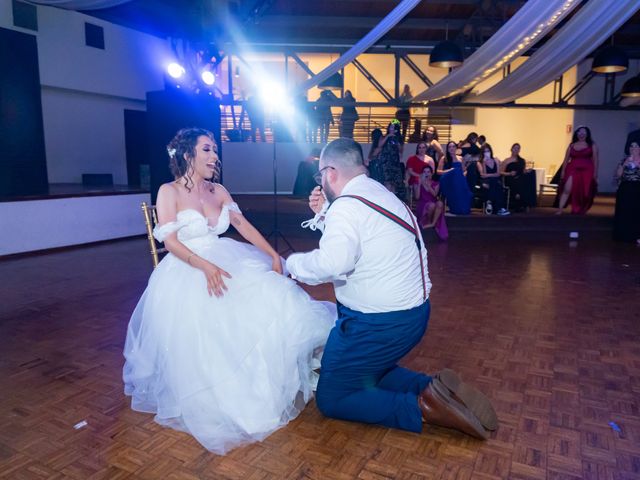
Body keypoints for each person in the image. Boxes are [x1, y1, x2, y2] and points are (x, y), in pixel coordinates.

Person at [123, 128, 335, 454]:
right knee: (225, 312)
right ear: (187, 155)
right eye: (207, 149)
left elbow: (242, 227)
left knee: (273, 292)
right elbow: (170, 241)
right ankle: (236, 384)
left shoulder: (218, 189)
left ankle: (300, 365)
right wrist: (204, 267)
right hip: (188, 268)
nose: (214, 156)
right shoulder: (169, 191)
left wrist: (274, 257)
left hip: (226, 258)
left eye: (215, 150)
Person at [286, 138, 497, 440]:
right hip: (413, 315)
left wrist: (291, 264)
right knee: (367, 372)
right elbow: (358, 240)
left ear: (330, 173)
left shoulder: (346, 207)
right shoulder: (381, 194)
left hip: (377, 324)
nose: (321, 184)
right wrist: (325, 215)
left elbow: (336, 261)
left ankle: (422, 407)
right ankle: (431, 388)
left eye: (320, 177)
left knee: (333, 396)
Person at [556, 126, 599, 215]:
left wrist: (595, 173)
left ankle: (581, 208)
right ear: (577, 133)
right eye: (579, 132)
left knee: (585, 191)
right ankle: (560, 209)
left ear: (587, 134)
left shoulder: (592, 145)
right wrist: (563, 171)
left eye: (584, 132)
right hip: (572, 168)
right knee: (567, 188)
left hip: (587, 170)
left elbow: (596, 160)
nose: (581, 134)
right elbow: (566, 159)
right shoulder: (571, 145)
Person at [613, 141, 640, 244]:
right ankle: (623, 235)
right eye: (631, 146)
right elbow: (618, 175)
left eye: (636, 146)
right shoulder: (624, 160)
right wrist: (624, 164)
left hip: (637, 188)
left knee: (636, 213)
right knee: (624, 211)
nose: (633, 148)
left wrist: (637, 164)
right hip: (625, 188)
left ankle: (636, 235)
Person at [438, 141, 472, 215]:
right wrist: (449, 171)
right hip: (447, 180)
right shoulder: (444, 158)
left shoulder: (460, 158)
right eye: (450, 147)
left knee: (460, 176)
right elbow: (438, 171)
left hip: (458, 180)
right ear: (447, 149)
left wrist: (464, 174)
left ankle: (462, 209)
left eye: (453, 146)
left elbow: (464, 170)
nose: (452, 148)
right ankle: (455, 208)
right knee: (456, 172)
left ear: (456, 148)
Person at [501, 143, 537, 211]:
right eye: (515, 148)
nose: (516, 150)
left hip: (519, 178)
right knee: (518, 181)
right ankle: (518, 199)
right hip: (509, 178)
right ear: (511, 149)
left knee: (530, 176)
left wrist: (526, 171)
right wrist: (509, 173)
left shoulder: (522, 160)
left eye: (518, 148)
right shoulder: (507, 160)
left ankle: (526, 203)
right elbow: (501, 172)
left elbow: (522, 171)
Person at [416, 166, 448, 240]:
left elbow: (434, 194)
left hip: (432, 201)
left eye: (428, 172)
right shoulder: (419, 183)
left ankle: (432, 223)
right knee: (431, 205)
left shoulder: (436, 183)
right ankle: (428, 221)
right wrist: (420, 184)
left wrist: (428, 185)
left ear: (431, 173)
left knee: (440, 203)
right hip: (423, 203)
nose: (426, 174)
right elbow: (417, 197)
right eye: (424, 172)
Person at [478, 143, 510, 216]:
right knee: (495, 183)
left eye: (488, 151)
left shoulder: (496, 160)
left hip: (495, 181)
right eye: (485, 152)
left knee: (494, 182)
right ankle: (499, 208)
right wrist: (484, 163)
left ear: (491, 151)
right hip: (485, 182)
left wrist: (489, 175)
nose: (487, 153)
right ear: (482, 153)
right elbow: (483, 175)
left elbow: (498, 173)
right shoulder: (480, 162)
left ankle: (489, 202)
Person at [376, 120, 405, 198]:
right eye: (391, 126)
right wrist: (388, 136)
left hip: (394, 162)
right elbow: (380, 145)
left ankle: (393, 197)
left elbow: (401, 150)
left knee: (395, 182)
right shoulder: (383, 137)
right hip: (385, 161)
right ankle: (386, 197)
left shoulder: (399, 138)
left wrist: (396, 139)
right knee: (386, 180)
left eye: (394, 127)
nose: (392, 128)